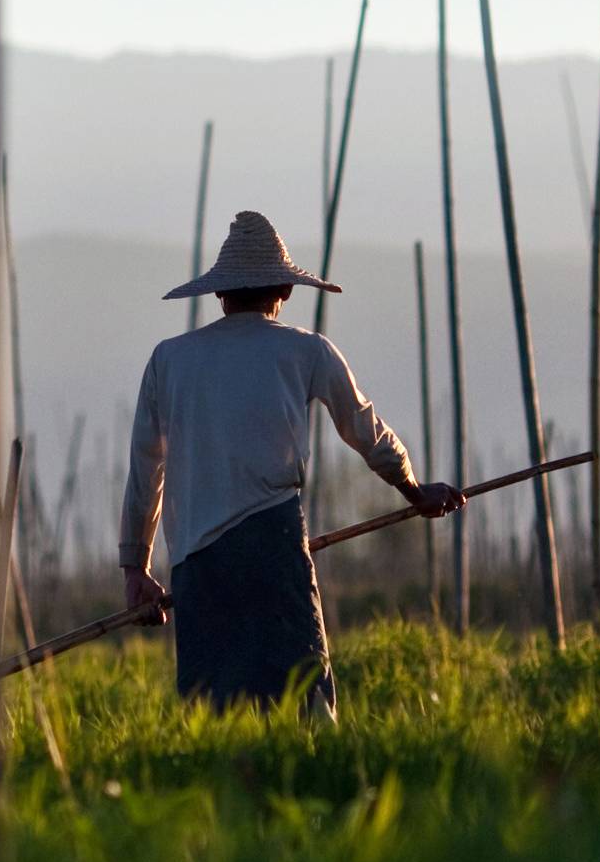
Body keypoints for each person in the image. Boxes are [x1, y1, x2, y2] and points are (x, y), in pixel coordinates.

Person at [122, 209, 459, 713]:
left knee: (212, 707)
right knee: (305, 699)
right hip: (272, 545)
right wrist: (414, 491)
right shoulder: (306, 350)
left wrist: (136, 567)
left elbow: (146, 469)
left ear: (220, 294)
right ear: (285, 291)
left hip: (195, 560)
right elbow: (367, 431)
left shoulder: (168, 359)